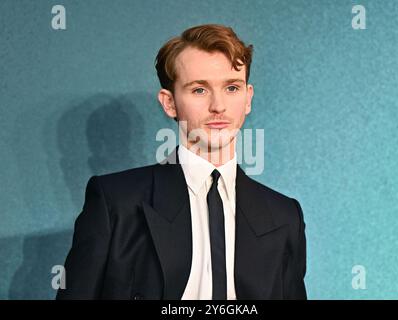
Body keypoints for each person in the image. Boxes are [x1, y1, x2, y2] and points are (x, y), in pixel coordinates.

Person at [57, 24, 307, 300]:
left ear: (247, 98)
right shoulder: (115, 202)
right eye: (199, 90)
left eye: (231, 88)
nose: (218, 106)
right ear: (169, 103)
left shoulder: (285, 215)